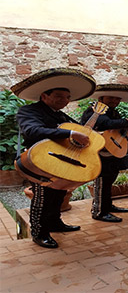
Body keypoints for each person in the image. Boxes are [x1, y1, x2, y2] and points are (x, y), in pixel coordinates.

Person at [12, 68, 97, 248]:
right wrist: (71, 133)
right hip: (42, 163)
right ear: (44, 96)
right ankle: (39, 233)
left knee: (59, 193)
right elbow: (32, 131)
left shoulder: (61, 115)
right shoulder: (28, 111)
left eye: (67, 97)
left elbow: (80, 132)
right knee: (42, 197)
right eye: (59, 96)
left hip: (61, 162)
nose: (65, 100)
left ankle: (55, 223)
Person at [81, 84, 128, 222]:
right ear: (101, 98)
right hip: (99, 153)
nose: (114, 101)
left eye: (117, 99)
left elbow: (115, 130)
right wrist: (125, 121)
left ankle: (107, 205)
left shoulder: (113, 111)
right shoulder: (95, 110)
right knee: (102, 181)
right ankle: (99, 211)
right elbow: (105, 123)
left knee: (110, 180)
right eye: (110, 98)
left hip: (110, 152)